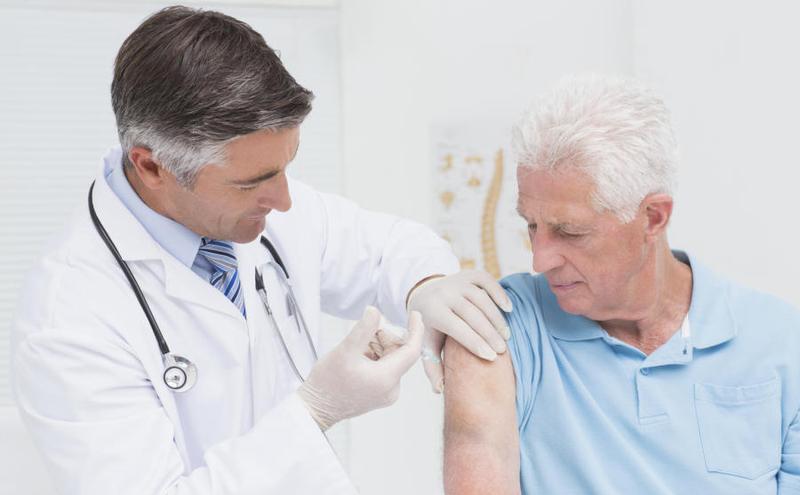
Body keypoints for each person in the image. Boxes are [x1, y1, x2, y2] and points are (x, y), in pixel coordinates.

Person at [11, 6, 511, 494]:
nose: (285, 199)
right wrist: (316, 409)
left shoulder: (261, 205)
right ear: (152, 167)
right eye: (253, 182)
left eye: (286, 165)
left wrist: (425, 286)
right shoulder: (70, 318)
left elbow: (387, 249)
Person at [442, 75, 800, 494]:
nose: (540, 259)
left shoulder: (782, 341)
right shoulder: (499, 326)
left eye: (570, 232)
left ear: (653, 217)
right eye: (531, 225)